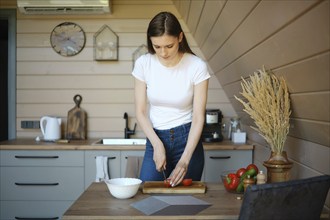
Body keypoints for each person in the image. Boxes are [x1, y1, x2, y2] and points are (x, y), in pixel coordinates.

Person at [132, 11, 210, 187]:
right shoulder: (143, 64)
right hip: (156, 137)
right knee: (148, 196)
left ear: (180, 37)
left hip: (188, 140)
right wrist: (157, 145)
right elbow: (140, 112)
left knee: (186, 203)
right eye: (157, 46)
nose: (163, 52)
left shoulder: (197, 66)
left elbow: (198, 117)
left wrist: (185, 160)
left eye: (169, 46)